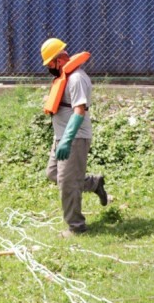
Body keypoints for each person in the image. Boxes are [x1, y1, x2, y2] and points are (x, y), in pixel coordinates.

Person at [40, 38, 108, 237]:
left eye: (50, 64)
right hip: (60, 137)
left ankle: (76, 227)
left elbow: (79, 111)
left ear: (59, 60)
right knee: (53, 174)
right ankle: (94, 183)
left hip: (75, 138)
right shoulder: (65, 76)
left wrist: (68, 140)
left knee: (68, 183)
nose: (49, 68)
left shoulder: (77, 78)